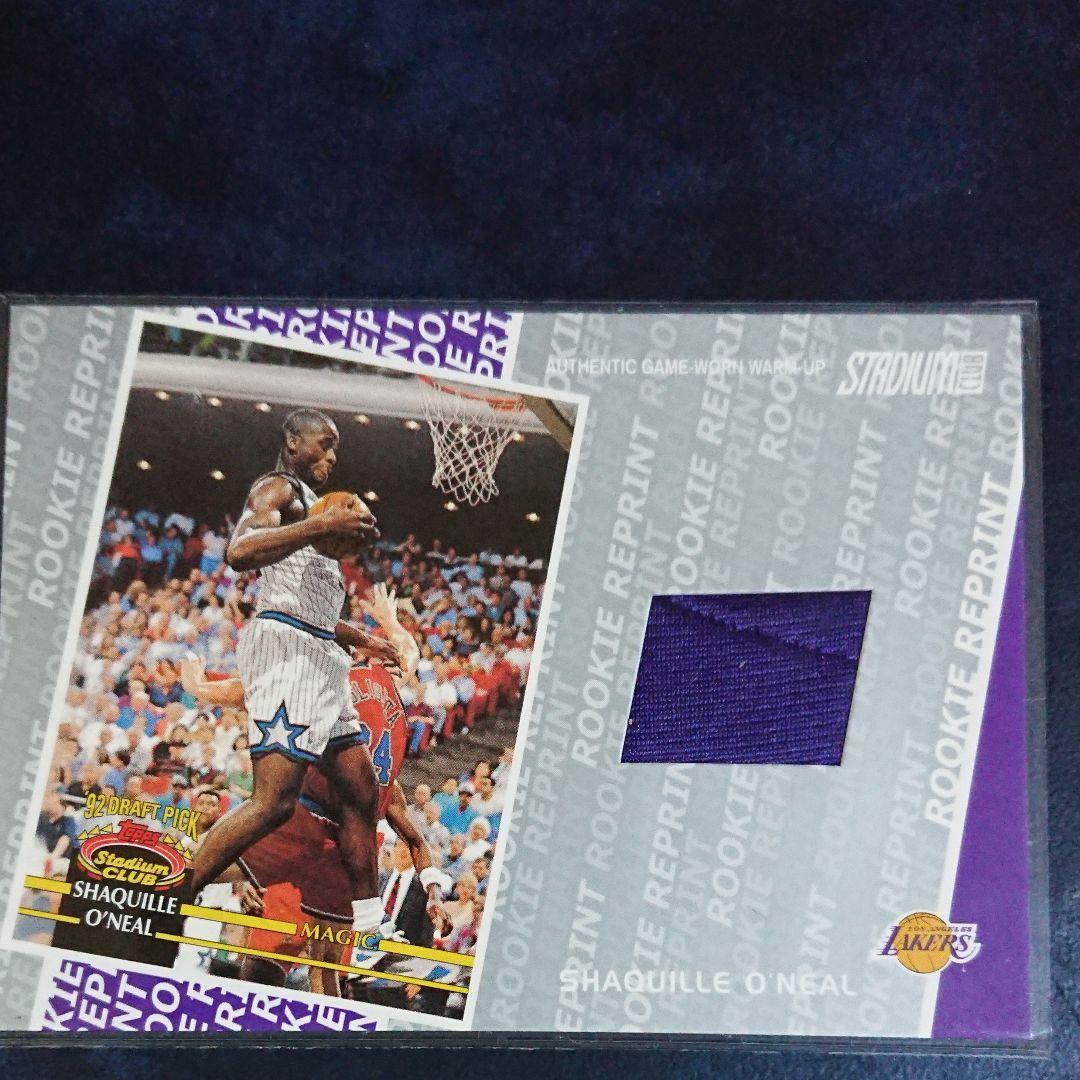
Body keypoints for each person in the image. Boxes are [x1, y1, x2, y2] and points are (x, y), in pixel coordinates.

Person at [190, 408, 388, 941]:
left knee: (361, 792)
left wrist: (359, 637)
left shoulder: (312, 508)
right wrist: (320, 526)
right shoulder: (276, 488)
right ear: (293, 441)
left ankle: (370, 927)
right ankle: (174, 893)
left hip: (319, 651)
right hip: (287, 652)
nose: (331, 456)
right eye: (324, 443)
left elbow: (311, 605)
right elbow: (239, 552)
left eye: (336, 447)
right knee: (273, 803)